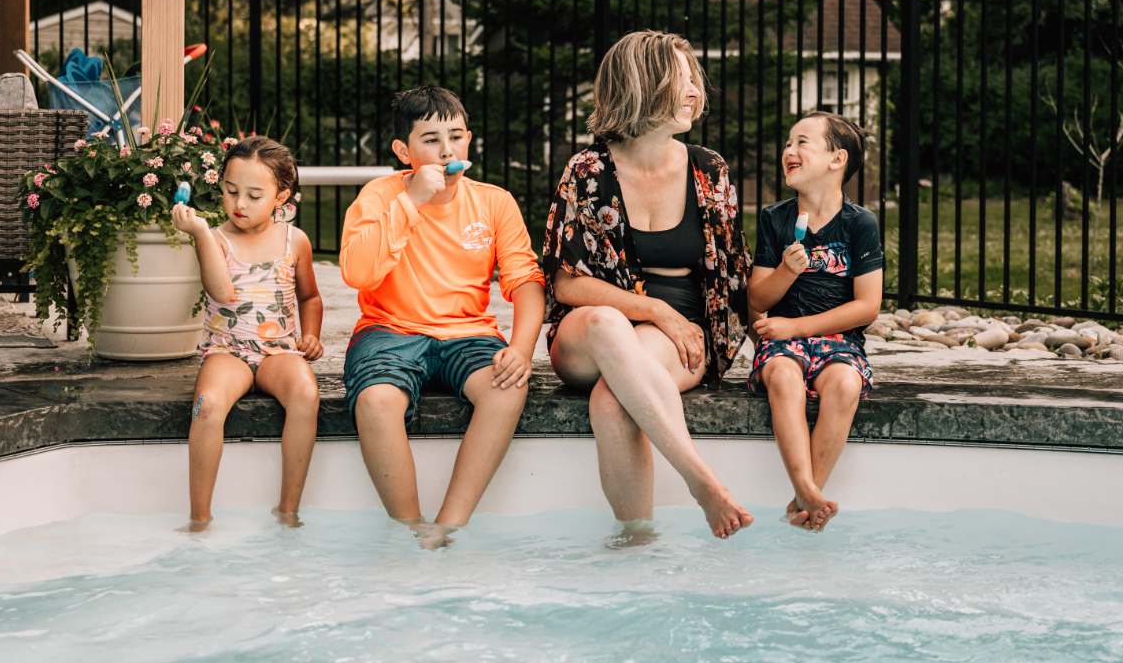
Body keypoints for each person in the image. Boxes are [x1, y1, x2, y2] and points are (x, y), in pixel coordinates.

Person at [543, 30, 754, 541]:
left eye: (694, 82)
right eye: (680, 81)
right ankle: (701, 481)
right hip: (592, 330)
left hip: (684, 331)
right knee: (607, 320)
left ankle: (636, 544)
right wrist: (655, 310)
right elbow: (567, 285)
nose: (694, 93)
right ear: (642, 85)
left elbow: (735, 273)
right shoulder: (588, 171)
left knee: (613, 402)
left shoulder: (708, 170)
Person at [339, 84, 546, 548]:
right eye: (430, 139)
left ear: (469, 139)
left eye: (455, 136)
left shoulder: (495, 202)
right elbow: (356, 272)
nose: (446, 150)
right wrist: (411, 201)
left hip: (467, 333)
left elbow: (527, 283)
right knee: (375, 402)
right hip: (388, 330)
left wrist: (521, 347)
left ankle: (448, 526)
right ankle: (410, 528)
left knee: (507, 387)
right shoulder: (379, 196)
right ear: (403, 150)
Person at [172, 136, 324, 530]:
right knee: (206, 405)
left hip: (280, 352)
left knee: (307, 395)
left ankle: (288, 510)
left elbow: (310, 297)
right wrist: (201, 233)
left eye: (254, 195)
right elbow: (221, 292)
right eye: (230, 191)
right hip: (228, 352)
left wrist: (312, 335)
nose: (239, 204)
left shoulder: (296, 241)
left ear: (281, 195)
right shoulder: (217, 240)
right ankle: (199, 518)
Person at [746, 111, 883, 533]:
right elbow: (756, 298)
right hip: (782, 343)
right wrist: (787, 271)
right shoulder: (776, 218)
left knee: (845, 384)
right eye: (788, 142)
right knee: (784, 378)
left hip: (834, 339)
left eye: (802, 142)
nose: (789, 150)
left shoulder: (859, 223)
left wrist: (799, 327)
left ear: (836, 159)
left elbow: (867, 307)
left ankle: (804, 499)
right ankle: (807, 489)